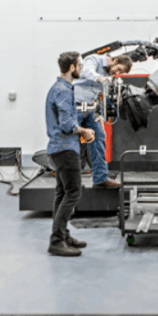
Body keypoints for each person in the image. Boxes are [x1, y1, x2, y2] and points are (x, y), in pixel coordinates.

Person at [45, 51, 96, 257]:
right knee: (73, 193)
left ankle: (63, 235)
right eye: (80, 66)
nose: (81, 69)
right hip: (66, 148)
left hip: (58, 148)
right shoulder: (64, 91)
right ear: (72, 68)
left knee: (62, 194)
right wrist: (85, 130)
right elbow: (67, 125)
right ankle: (57, 241)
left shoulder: (57, 88)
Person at [73, 53, 133, 189]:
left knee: (99, 136)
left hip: (90, 109)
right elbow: (87, 72)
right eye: (118, 68)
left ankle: (100, 179)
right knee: (71, 142)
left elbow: (101, 95)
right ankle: (69, 182)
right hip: (74, 107)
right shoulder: (94, 60)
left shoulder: (109, 75)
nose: (117, 73)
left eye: (121, 72)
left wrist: (100, 112)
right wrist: (101, 78)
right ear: (115, 60)